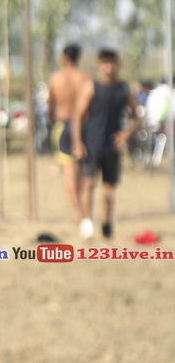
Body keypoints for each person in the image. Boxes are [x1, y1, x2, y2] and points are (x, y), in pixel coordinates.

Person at [72, 48, 139, 240]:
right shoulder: (91, 87)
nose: (109, 67)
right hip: (92, 143)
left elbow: (135, 117)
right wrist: (77, 142)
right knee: (88, 183)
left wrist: (127, 133)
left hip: (112, 146)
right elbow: (77, 116)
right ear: (99, 66)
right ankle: (86, 224)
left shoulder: (124, 89)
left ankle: (107, 225)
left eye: (112, 63)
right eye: (105, 63)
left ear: (117, 64)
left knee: (109, 188)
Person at [46, 44, 91, 224]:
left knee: (69, 172)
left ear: (64, 58)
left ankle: (77, 212)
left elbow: (50, 106)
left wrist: (52, 122)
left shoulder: (56, 78)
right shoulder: (86, 78)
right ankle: (83, 210)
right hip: (84, 127)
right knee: (83, 172)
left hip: (63, 125)